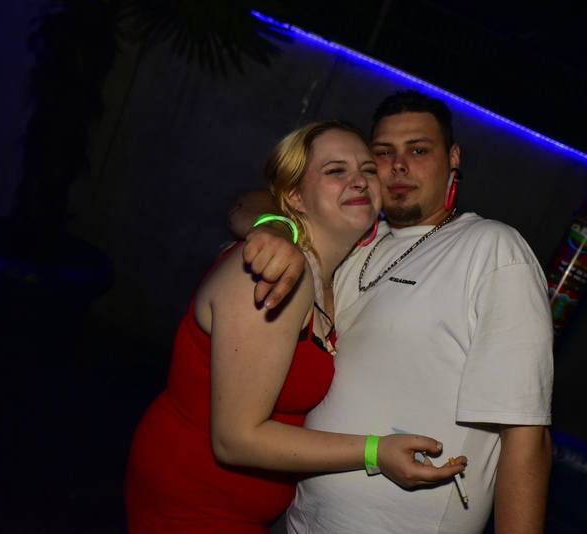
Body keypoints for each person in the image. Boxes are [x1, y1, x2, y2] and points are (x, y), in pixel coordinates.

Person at [230, 91, 554, 533]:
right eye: (383, 153)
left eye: (418, 151)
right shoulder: (356, 234)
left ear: (453, 158)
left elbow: (527, 435)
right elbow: (249, 201)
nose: (399, 166)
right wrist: (277, 228)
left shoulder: (493, 249)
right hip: (300, 521)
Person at [125, 120, 466, 533]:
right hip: (190, 502)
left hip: (242, 511)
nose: (359, 180)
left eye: (367, 170)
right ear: (295, 196)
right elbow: (234, 440)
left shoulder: (336, 271)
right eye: (336, 170)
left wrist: (274, 224)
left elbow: (249, 201)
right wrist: (375, 452)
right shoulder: (274, 274)